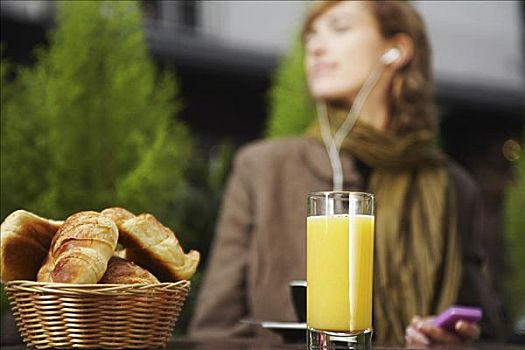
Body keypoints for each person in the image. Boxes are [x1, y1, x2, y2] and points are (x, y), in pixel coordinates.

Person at [188, 0, 504, 346]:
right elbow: (213, 332)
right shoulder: (263, 169)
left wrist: (456, 342)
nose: (315, 46)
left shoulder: (453, 187)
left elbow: (487, 333)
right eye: (311, 36)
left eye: (340, 28)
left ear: (396, 50)